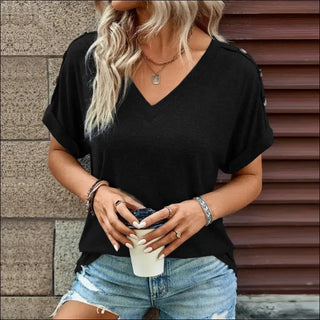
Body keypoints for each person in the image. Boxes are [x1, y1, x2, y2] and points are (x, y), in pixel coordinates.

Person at [42, 1, 274, 319]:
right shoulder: (90, 56)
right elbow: (59, 155)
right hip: (111, 270)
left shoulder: (234, 71)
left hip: (199, 274)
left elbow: (251, 178)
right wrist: (95, 191)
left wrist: (202, 210)